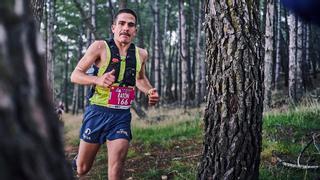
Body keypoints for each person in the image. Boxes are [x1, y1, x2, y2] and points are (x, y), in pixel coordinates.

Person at [70, 8, 159, 179]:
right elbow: (75, 75)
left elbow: (140, 79)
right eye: (122, 23)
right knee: (82, 168)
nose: (126, 28)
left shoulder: (141, 54)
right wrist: (97, 80)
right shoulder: (99, 47)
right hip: (97, 112)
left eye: (130, 25)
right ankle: (77, 161)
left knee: (117, 167)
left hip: (121, 116)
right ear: (113, 27)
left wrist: (149, 90)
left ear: (135, 30)